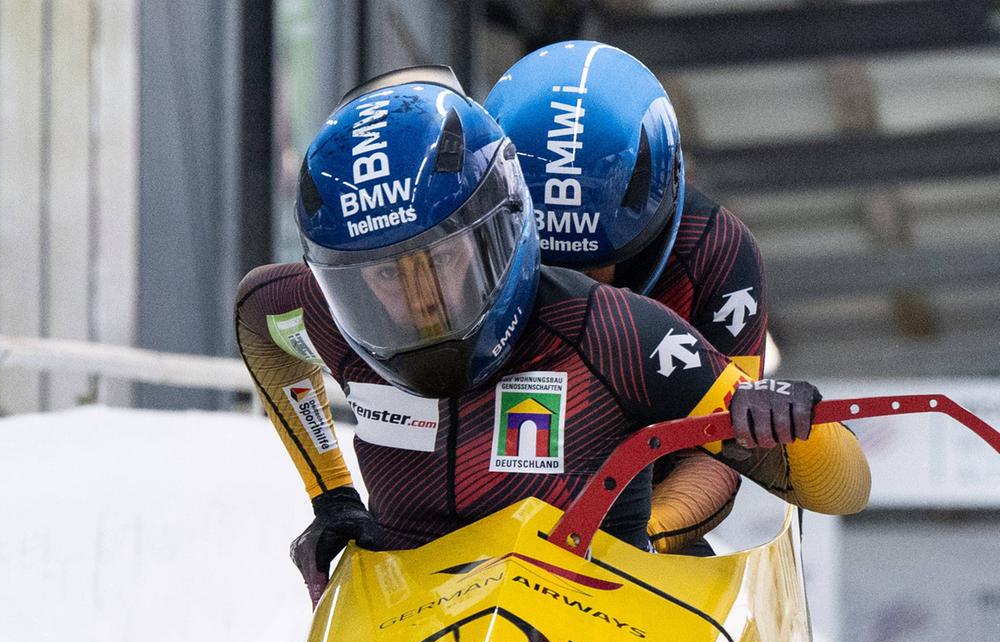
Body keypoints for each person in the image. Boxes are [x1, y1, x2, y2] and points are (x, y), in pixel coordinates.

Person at [234, 72, 869, 602]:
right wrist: (334, 499)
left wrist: (789, 423)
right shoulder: (307, 307)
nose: (421, 300)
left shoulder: (611, 331)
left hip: (588, 632)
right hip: (407, 631)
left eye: (443, 260)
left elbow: (843, 483)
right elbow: (260, 323)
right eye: (381, 276)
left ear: (503, 229)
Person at [485, 41, 806, 554]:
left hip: (630, 525)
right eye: (549, 269)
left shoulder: (716, 253)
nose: (571, 296)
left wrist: (639, 535)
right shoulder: (455, 246)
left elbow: (719, 448)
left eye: (594, 267)